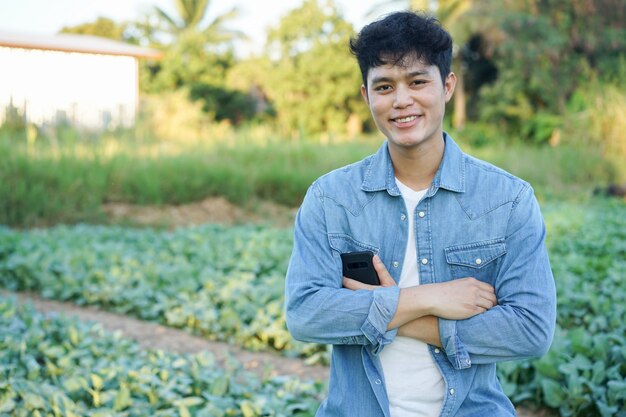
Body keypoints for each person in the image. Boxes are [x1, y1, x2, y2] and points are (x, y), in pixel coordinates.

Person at [284, 10, 556, 417]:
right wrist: (431, 297)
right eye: (385, 86)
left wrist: (388, 308)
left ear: (447, 86)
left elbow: (530, 330)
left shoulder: (509, 199)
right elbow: (306, 314)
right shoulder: (330, 198)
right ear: (366, 96)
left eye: (417, 82)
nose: (401, 101)